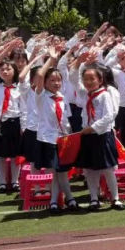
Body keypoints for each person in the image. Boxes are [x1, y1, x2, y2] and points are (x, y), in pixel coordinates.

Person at [32, 48, 79, 212]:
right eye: (52, 80)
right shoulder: (41, 96)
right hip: (48, 139)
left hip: (63, 139)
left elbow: (66, 119)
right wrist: (51, 61)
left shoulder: (62, 97)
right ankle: (55, 201)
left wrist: (69, 136)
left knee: (63, 172)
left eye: (58, 80)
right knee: (54, 171)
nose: (56, 83)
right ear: (45, 83)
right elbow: (38, 76)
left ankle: (69, 198)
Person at [73, 64, 121, 210]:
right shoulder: (86, 95)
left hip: (102, 135)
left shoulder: (105, 95)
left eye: (92, 79)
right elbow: (72, 78)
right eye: (85, 79)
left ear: (100, 80)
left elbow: (109, 115)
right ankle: (94, 198)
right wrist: (78, 62)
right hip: (88, 137)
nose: (88, 82)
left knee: (108, 169)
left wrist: (92, 128)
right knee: (90, 170)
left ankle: (115, 198)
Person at [0, 60, 24, 193]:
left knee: (15, 155)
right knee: (0, 155)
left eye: (8, 69)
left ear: (14, 71)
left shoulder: (20, 88)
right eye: (2, 69)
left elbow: (23, 108)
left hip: (14, 122)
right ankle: (2, 182)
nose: (5, 72)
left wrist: (23, 126)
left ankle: (14, 182)